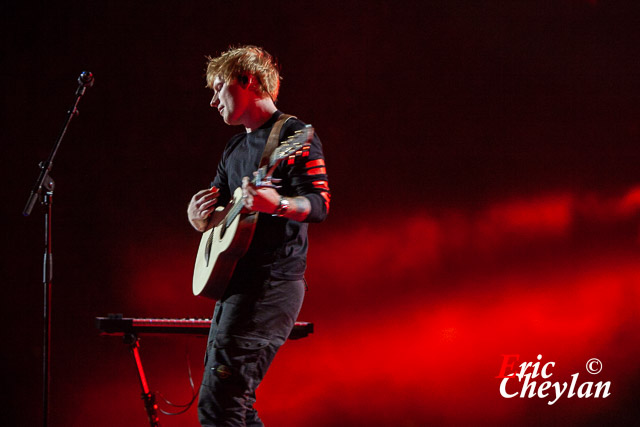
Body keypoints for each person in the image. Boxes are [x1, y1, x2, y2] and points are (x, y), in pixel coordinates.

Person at [187, 45, 330, 426]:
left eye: (219, 89)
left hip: (270, 287)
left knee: (221, 408)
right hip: (237, 287)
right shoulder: (234, 148)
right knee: (235, 409)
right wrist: (197, 217)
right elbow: (216, 212)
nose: (214, 101)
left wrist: (277, 204)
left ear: (248, 81)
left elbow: (319, 203)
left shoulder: (294, 135)